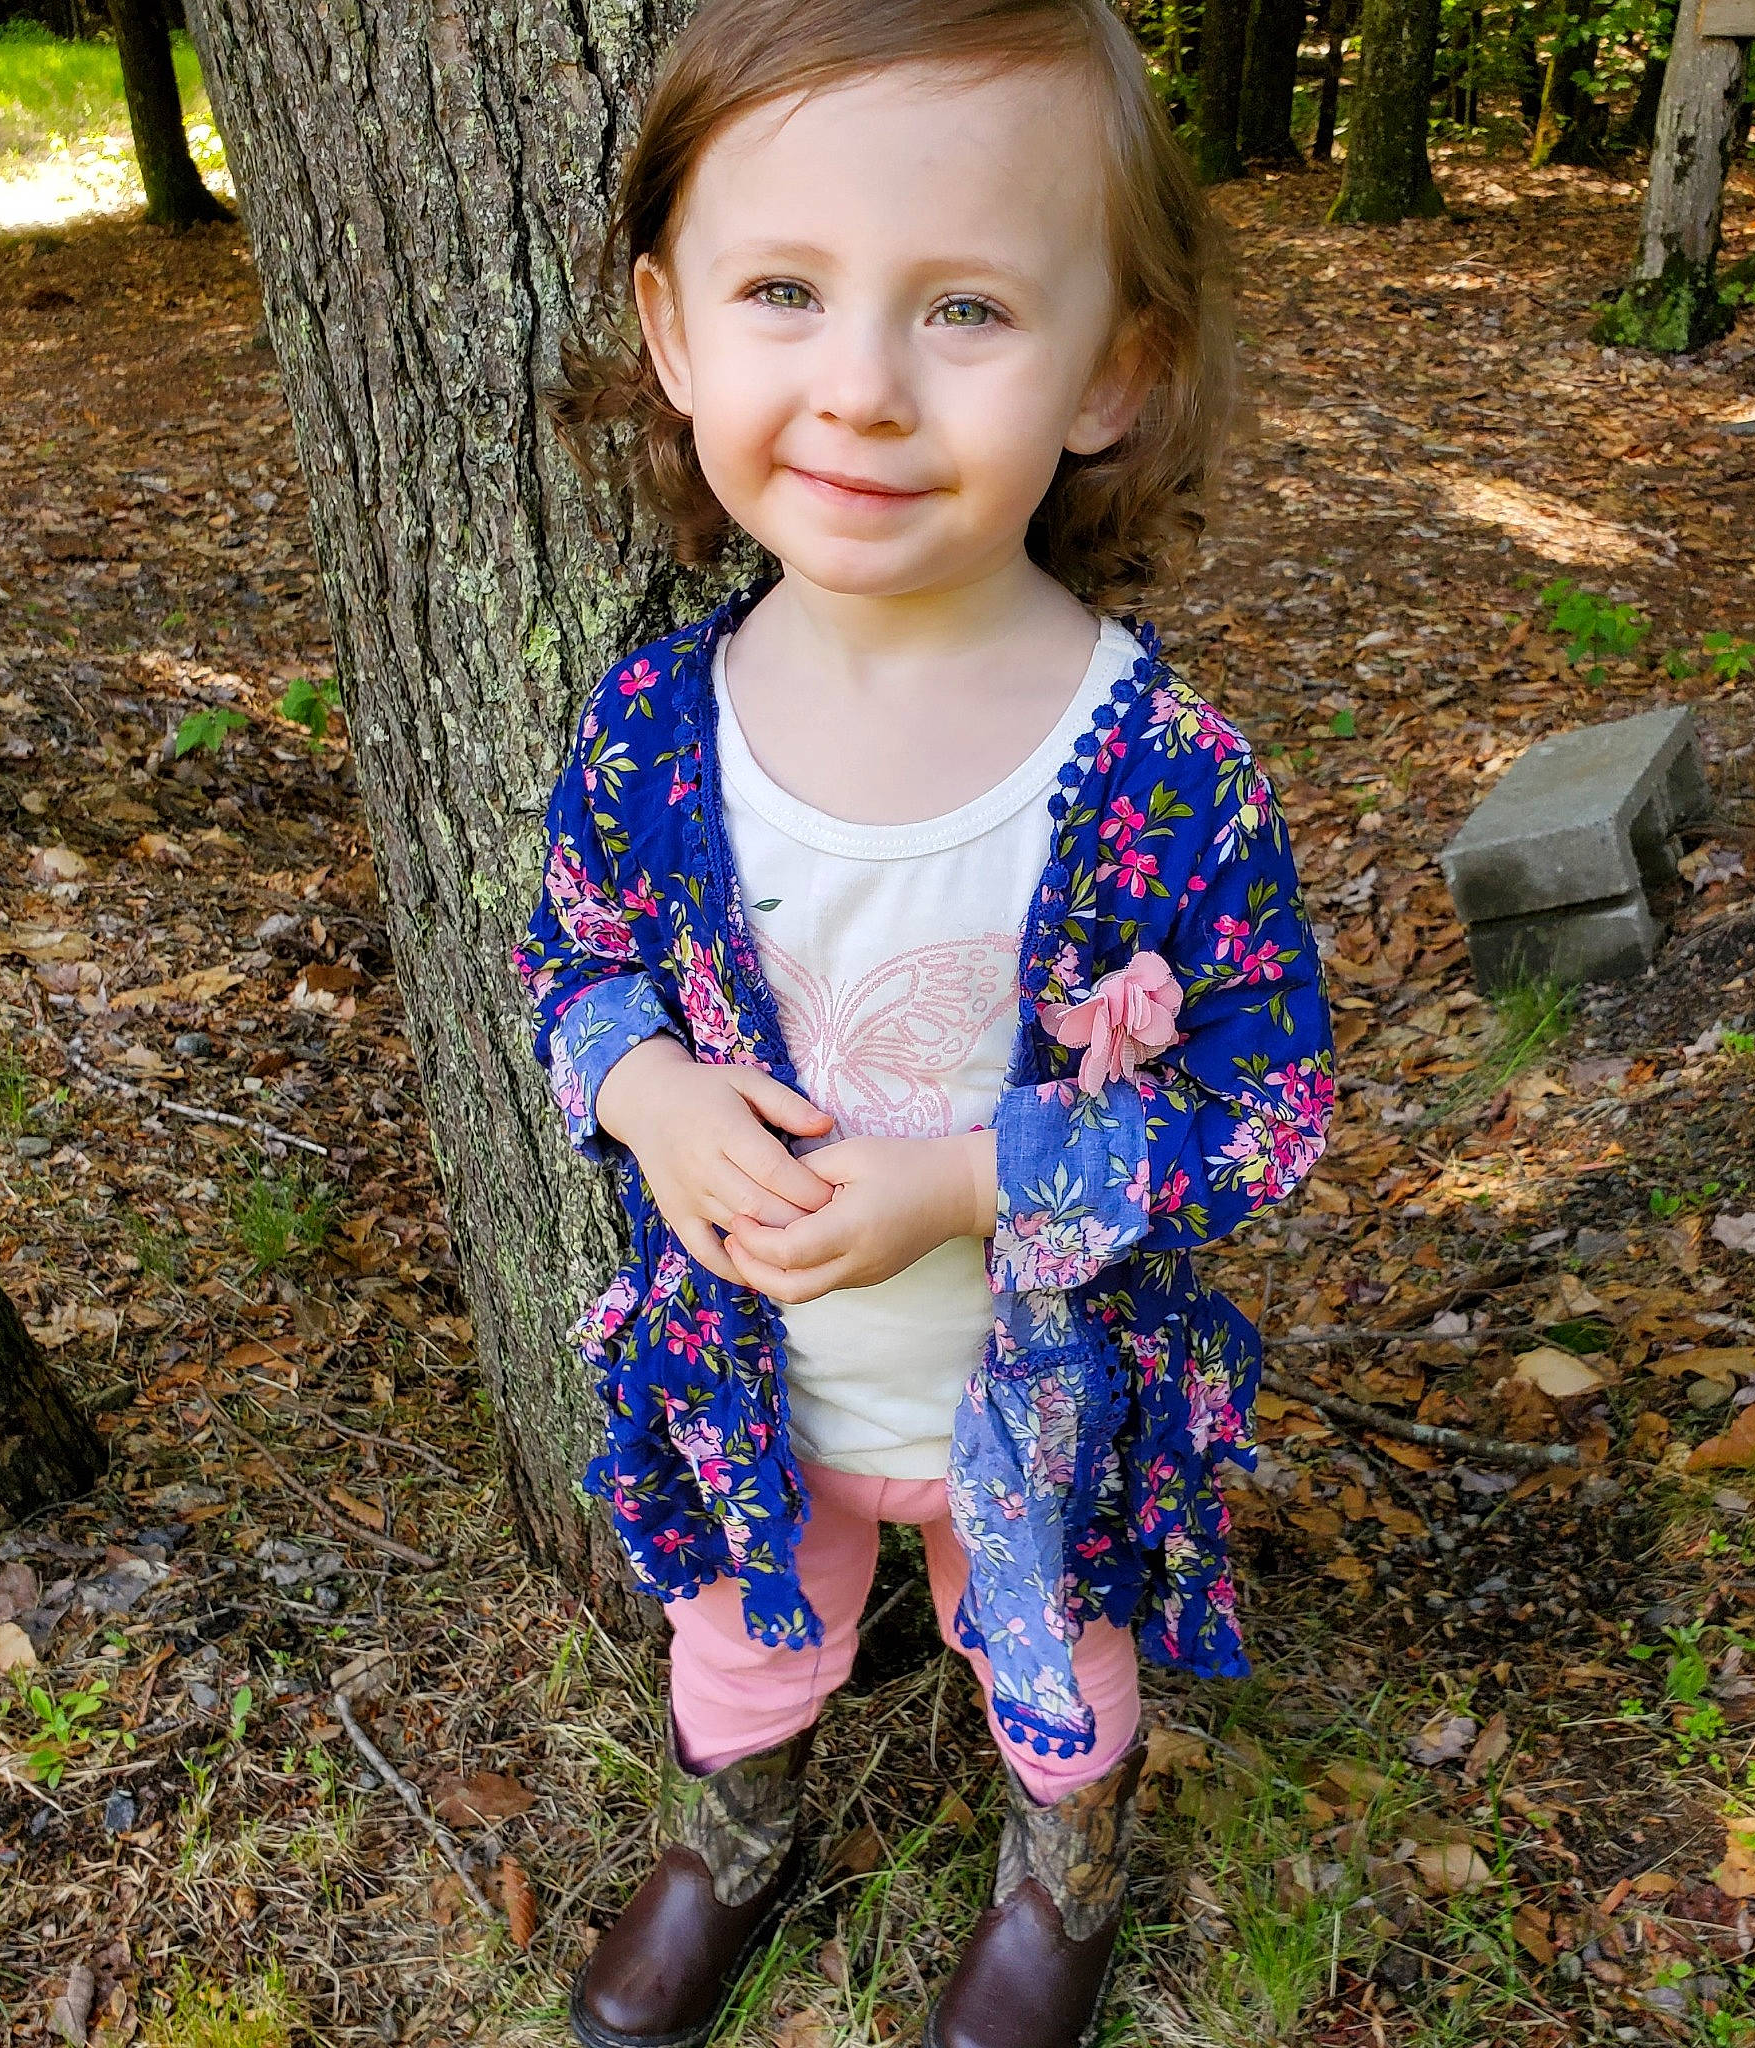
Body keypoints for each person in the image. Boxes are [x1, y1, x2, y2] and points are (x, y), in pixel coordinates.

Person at [513, 4, 1334, 2043]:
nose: (863, 385)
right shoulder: (657, 726)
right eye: (783, 290)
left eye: (965, 306)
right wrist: (647, 1089)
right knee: (738, 1628)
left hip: (1033, 1398)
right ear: (673, 327)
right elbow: (573, 956)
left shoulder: (1159, 772)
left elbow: (1268, 1108)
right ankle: (734, 1837)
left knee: (1053, 1653)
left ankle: (1062, 1875)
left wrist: (976, 1180)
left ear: (1114, 368)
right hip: (748, 1367)